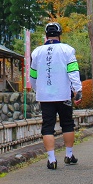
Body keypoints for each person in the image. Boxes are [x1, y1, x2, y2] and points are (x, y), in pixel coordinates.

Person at [29, 22, 82, 170]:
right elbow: (73, 72)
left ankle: (52, 159)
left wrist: (36, 89)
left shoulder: (36, 52)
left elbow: (32, 75)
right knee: (67, 124)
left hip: (45, 96)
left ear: (46, 36)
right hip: (64, 94)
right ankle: (69, 155)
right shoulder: (67, 50)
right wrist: (78, 90)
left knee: (47, 126)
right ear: (59, 34)